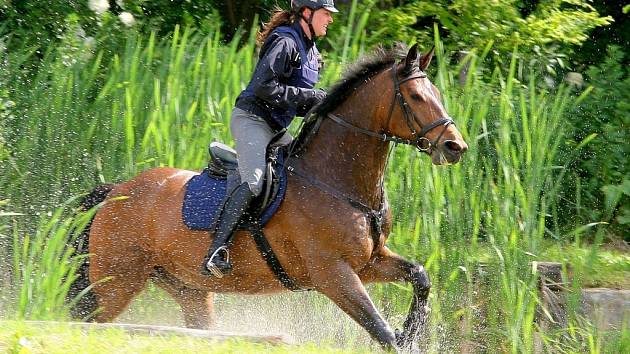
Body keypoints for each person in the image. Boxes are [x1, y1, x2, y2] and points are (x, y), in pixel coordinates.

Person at [202, 0, 338, 277]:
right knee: (254, 181)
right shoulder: (286, 42)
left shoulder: (312, 54)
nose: (330, 20)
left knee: (303, 172)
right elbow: (264, 87)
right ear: (307, 13)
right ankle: (217, 251)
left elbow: (296, 103)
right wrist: (310, 97)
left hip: (275, 129)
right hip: (252, 120)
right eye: (326, 14)